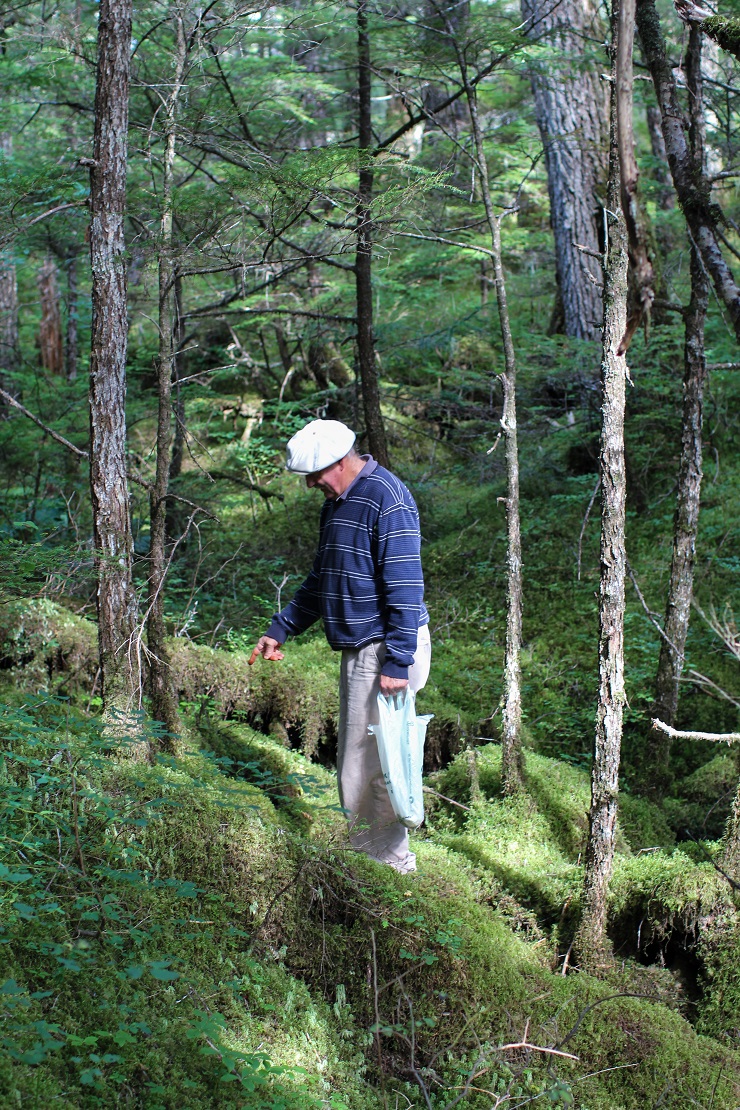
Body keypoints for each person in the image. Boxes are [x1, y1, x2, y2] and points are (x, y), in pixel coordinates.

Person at [251, 419, 430, 874]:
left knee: (368, 764)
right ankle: (375, 859)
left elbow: (407, 587)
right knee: (363, 760)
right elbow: (322, 578)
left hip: (384, 647)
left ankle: (387, 866)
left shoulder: (387, 499)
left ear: (341, 460)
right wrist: (283, 626)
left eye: (316, 474)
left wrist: (397, 660)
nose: (311, 484)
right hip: (365, 649)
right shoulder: (337, 504)